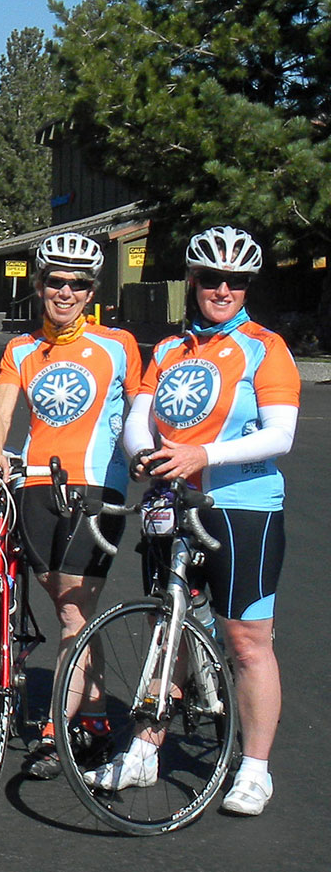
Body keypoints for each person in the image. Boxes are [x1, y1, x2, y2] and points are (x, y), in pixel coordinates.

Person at [116, 226, 295, 816]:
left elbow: (281, 434)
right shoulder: (168, 350)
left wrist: (203, 455)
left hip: (241, 509)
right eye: (211, 279)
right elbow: (138, 419)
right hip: (170, 504)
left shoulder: (266, 347)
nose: (223, 289)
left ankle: (255, 769)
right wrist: (143, 454)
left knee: (245, 641)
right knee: (165, 629)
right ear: (191, 283)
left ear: (247, 288)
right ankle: (146, 750)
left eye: (236, 281)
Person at [0, 233, 138, 777]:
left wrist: (150, 461)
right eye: (56, 282)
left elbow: (140, 415)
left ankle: (54, 730)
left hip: (96, 489)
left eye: (78, 284)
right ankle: (93, 718)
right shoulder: (21, 349)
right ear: (39, 284)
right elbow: (0, 413)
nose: (65, 292)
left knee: (72, 610)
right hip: (37, 486)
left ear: (91, 291)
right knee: (69, 610)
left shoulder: (118, 345)